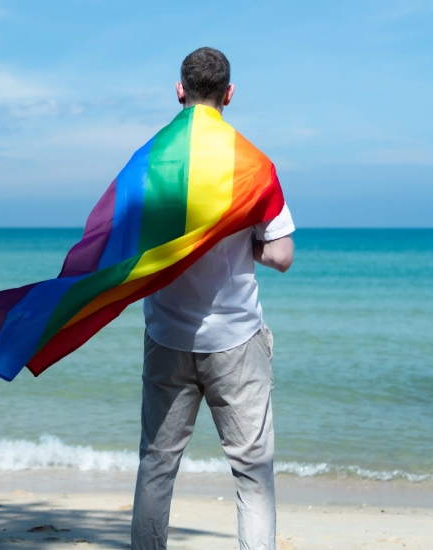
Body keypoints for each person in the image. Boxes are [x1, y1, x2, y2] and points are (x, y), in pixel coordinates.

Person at [131, 47, 295, 550]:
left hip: (167, 335)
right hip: (236, 340)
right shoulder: (252, 164)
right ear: (229, 94)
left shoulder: (150, 161)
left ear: (179, 91)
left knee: (157, 466)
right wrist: (245, 240)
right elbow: (283, 255)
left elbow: (127, 240)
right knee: (252, 473)